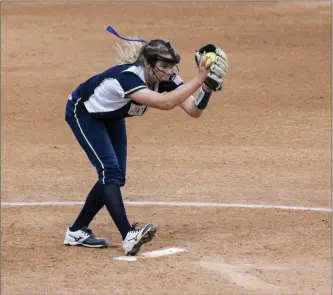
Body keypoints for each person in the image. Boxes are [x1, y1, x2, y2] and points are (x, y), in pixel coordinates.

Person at [63, 26, 228, 256]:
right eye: (163, 65)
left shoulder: (167, 77)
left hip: (113, 115)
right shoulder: (129, 77)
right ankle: (128, 236)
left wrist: (207, 89)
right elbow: (166, 103)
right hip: (84, 112)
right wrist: (199, 78)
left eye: (172, 66)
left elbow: (193, 110)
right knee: (109, 172)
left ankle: (77, 230)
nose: (169, 71)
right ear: (148, 64)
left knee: (115, 175)